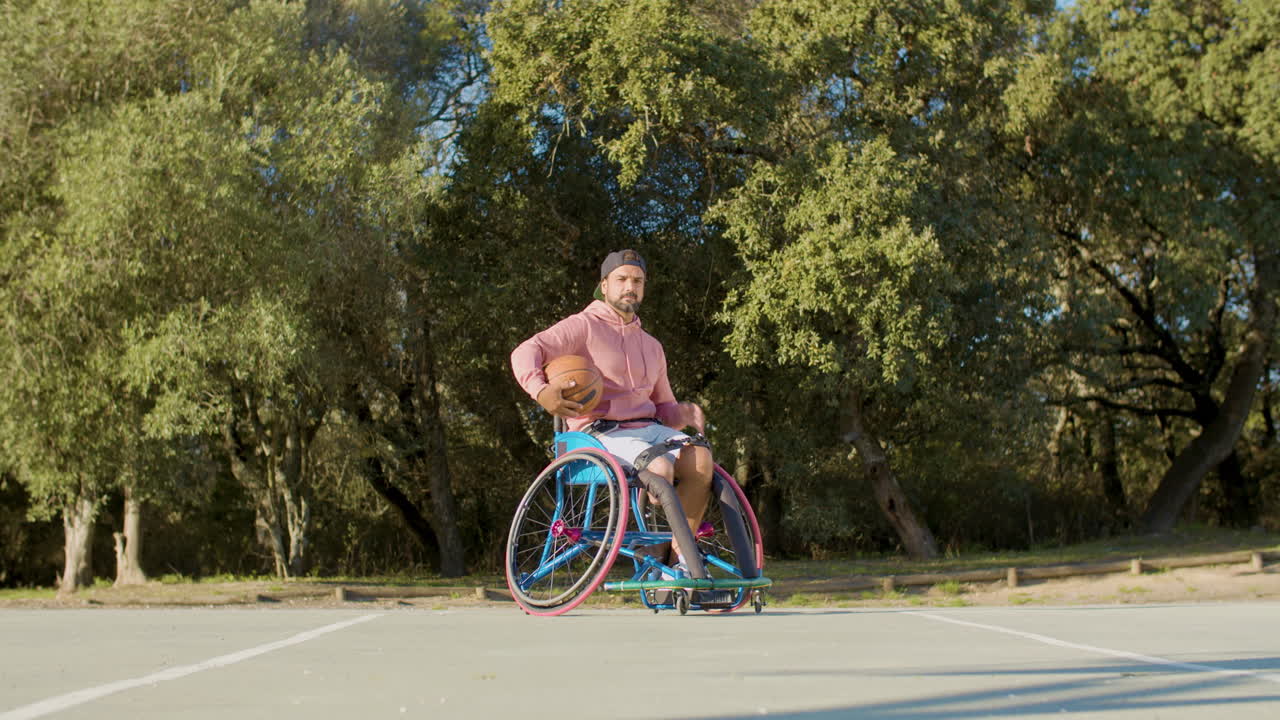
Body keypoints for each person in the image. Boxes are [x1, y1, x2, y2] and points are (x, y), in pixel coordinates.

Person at [510, 249, 712, 576]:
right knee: (659, 465)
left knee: (700, 457)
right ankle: (675, 556)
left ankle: (675, 560)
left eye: (637, 281)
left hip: (648, 430)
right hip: (600, 432)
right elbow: (525, 351)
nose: (630, 286)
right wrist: (541, 390)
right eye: (622, 280)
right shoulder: (583, 326)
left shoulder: (652, 346)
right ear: (604, 286)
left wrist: (684, 411)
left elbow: (663, 410)